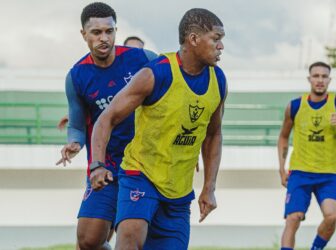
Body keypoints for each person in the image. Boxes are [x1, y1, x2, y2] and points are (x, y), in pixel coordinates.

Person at [90, 8, 227, 250]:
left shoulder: (219, 81)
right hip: (140, 175)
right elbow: (106, 118)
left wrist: (209, 187)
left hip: (179, 190)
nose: (221, 46)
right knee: (130, 240)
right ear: (193, 39)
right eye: (216, 39)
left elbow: (213, 135)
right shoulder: (155, 74)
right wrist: (97, 165)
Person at [56, 2, 156, 250]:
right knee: (88, 241)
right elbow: (77, 124)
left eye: (109, 31)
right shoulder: (77, 76)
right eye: (96, 32)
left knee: (133, 237)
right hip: (105, 164)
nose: (104, 38)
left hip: (143, 163)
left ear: (115, 31)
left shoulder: (143, 59)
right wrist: (74, 142)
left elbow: (170, 100)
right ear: (84, 35)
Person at [278, 61, 336, 250]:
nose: (320, 80)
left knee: (332, 216)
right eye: (316, 76)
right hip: (300, 172)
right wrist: (281, 169)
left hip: (328, 175)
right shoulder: (294, 106)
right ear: (309, 79)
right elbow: (283, 137)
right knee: (293, 218)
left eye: (324, 76)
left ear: (329, 80)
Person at [57, 35, 147, 131]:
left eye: (138, 49)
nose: (134, 52)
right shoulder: (111, 74)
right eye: (130, 48)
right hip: (111, 139)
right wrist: (73, 117)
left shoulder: (148, 74)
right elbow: (94, 104)